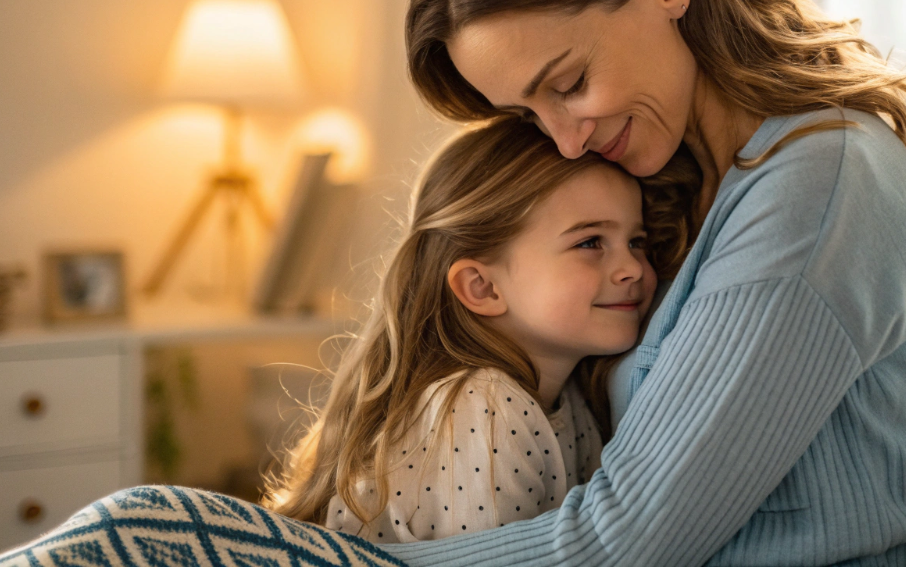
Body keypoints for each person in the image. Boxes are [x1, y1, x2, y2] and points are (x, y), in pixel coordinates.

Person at [385, 0, 906, 566]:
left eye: (569, 84)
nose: (565, 141)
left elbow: (619, 544)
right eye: (530, 114)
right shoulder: (676, 186)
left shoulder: (819, 189)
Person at [263, 116, 687, 544]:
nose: (633, 268)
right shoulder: (484, 406)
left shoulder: (568, 398)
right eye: (590, 242)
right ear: (482, 287)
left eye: (637, 242)